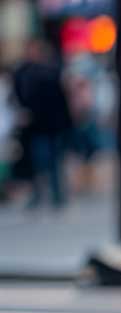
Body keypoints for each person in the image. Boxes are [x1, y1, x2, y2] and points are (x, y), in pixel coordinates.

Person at [12, 39, 73, 209]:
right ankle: (40, 194)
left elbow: (59, 100)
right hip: (34, 126)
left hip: (50, 124)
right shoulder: (23, 73)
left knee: (52, 160)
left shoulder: (50, 72)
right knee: (37, 161)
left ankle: (56, 194)